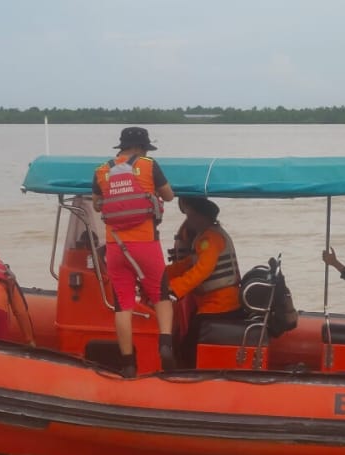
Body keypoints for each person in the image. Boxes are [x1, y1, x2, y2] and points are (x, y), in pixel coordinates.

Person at [93, 127, 177, 377]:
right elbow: (169, 196)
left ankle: (128, 363)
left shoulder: (101, 170)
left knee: (123, 305)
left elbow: (97, 204)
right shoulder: (150, 165)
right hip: (146, 243)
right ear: (142, 148)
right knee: (161, 296)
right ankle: (165, 345)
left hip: (115, 247)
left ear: (121, 147)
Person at [165, 196, 243, 367]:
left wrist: (174, 289)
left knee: (188, 348)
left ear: (203, 217)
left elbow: (202, 270)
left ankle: (185, 374)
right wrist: (162, 274)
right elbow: (187, 264)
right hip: (213, 304)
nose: (188, 221)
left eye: (191, 216)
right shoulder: (206, 236)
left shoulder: (210, 239)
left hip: (220, 306)